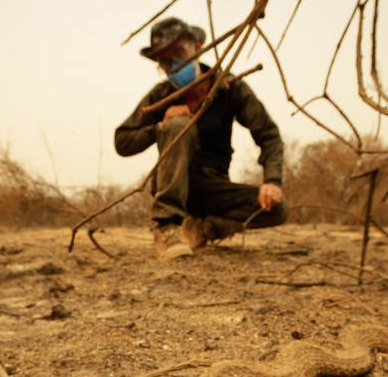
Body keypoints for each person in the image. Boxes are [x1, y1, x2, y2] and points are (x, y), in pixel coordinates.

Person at [115, 17, 288, 260]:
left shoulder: (230, 87)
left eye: (178, 52)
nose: (173, 64)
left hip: (213, 187)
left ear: (197, 47)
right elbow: (122, 141)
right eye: (165, 61)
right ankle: (166, 228)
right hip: (172, 184)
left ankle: (202, 229)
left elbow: (268, 134)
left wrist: (272, 179)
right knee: (178, 124)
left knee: (276, 209)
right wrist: (159, 127)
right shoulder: (160, 96)